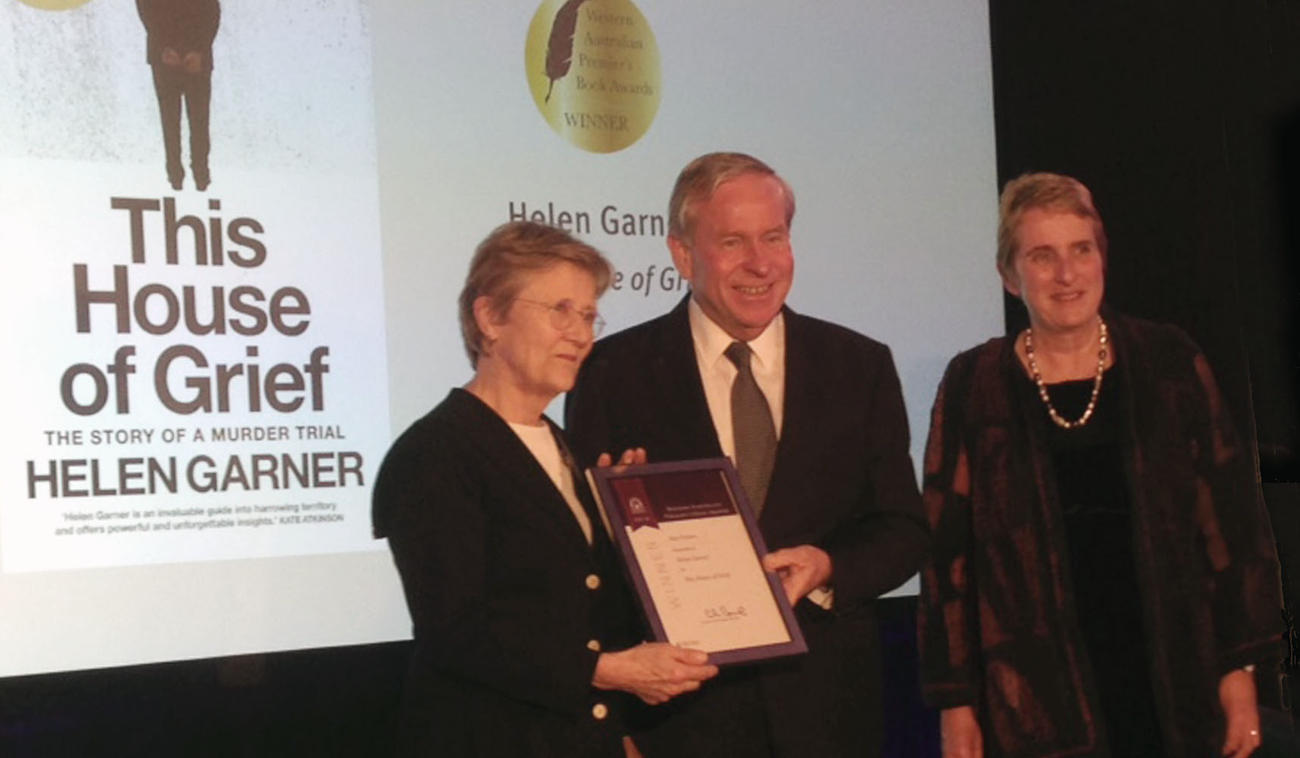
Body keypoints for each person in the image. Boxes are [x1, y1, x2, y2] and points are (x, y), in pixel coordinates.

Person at [566, 152, 929, 758]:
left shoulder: (858, 365)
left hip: (828, 715)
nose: (760, 263)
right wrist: (616, 725)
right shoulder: (611, 373)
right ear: (682, 255)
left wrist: (827, 567)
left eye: (774, 237)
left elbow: (903, 529)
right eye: (732, 242)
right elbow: (586, 570)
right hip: (678, 723)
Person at [917, 172, 1283, 758]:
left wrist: (1240, 672)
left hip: (1176, 680)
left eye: (1080, 251)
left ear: (1101, 258)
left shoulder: (1168, 362)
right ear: (1010, 277)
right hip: (1036, 698)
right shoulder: (973, 385)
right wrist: (956, 704)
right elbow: (945, 559)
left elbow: (1232, 530)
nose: (1067, 275)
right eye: (1042, 256)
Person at [372, 221, 717, 758]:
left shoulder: (566, 449)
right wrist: (606, 672)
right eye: (559, 310)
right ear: (489, 317)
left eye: (587, 315)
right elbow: (457, 631)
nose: (580, 334)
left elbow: (581, 603)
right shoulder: (435, 453)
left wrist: (630, 529)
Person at [136, 0, 220, 191]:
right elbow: (146, 10)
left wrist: (199, 50)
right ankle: (175, 175)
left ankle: (201, 175)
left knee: (199, 120)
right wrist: (164, 48)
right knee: (170, 119)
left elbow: (211, 12)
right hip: (164, 58)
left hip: (196, 60)